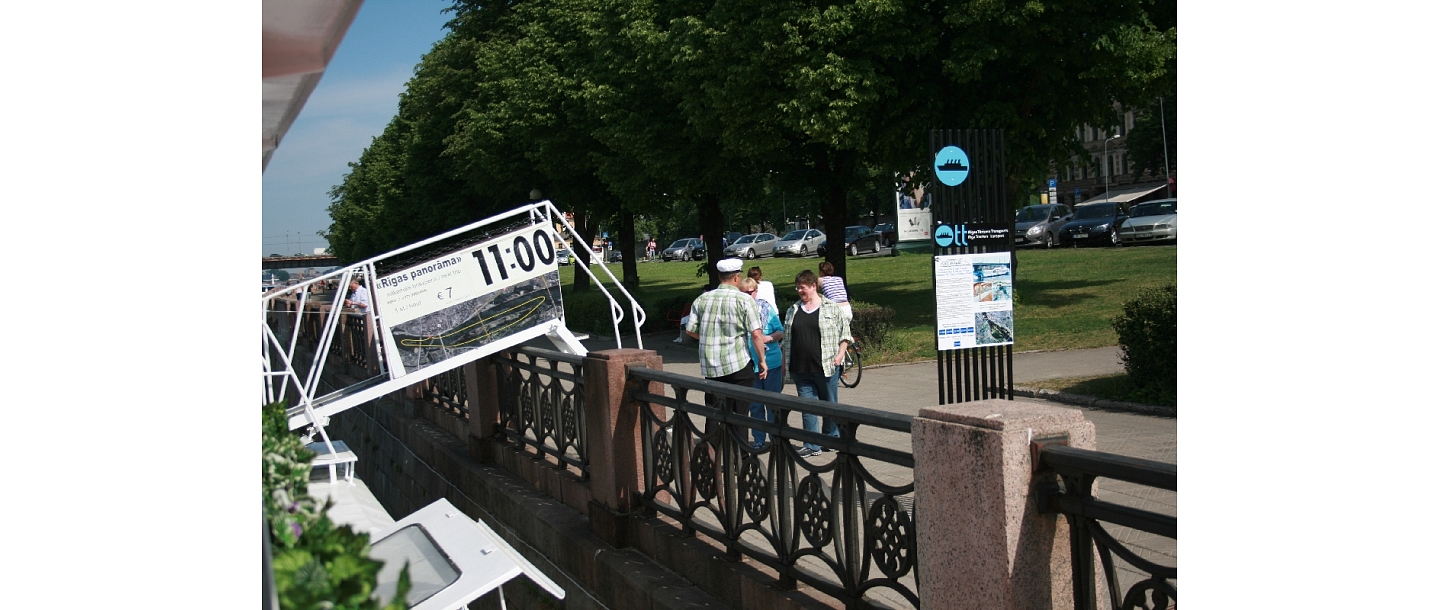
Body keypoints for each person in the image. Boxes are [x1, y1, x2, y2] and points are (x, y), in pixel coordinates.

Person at [685, 258, 768, 419]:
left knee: (713, 413)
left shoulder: (702, 299)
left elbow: (690, 330)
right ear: (737, 277)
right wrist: (762, 360)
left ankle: (713, 444)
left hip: (711, 365)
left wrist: (709, 338)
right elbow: (756, 334)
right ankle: (737, 443)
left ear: (719, 276)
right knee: (740, 415)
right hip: (738, 364)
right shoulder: (744, 300)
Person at [782, 270, 852, 457]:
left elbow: (845, 334)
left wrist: (839, 355)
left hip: (826, 366)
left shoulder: (831, 308)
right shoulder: (793, 310)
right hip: (800, 368)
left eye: (802, 287)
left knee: (829, 404)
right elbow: (786, 340)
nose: (799, 291)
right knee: (807, 406)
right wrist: (784, 364)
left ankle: (830, 437)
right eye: (797, 288)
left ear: (813, 286)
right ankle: (812, 444)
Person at [739, 277, 784, 448]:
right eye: (746, 292)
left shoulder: (766, 308)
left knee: (773, 403)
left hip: (771, 362)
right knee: (755, 406)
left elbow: (780, 331)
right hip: (749, 364)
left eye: (753, 291)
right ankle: (759, 440)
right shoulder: (737, 310)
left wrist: (769, 337)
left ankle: (776, 438)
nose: (750, 295)